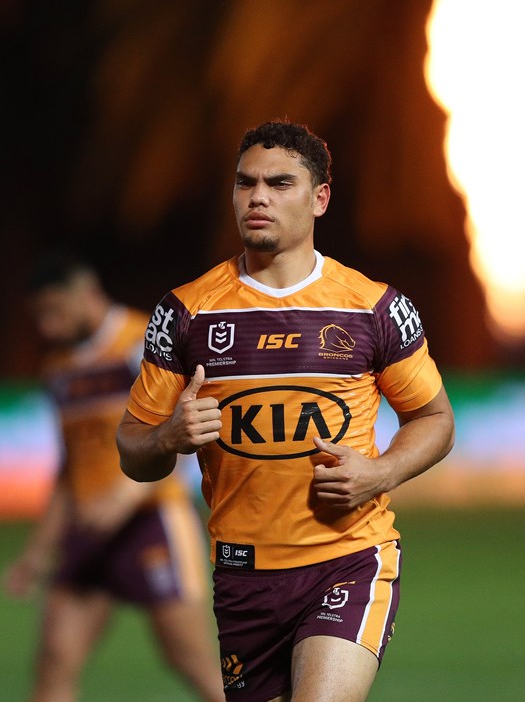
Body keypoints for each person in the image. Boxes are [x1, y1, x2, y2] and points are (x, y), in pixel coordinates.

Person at [116, 121, 455, 702]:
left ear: (319, 198)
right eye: (245, 183)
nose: (258, 197)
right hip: (242, 576)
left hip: (348, 559)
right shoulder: (186, 312)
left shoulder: (371, 307)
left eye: (279, 183)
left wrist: (380, 473)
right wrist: (168, 437)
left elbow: (435, 420)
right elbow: (132, 450)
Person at [3, 253, 224, 702]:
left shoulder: (143, 344)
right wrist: (38, 551)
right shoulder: (59, 370)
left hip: (151, 523)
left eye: (55, 311)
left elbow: (184, 436)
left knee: (192, 662)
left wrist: (124, 497)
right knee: (54, 660)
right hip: (89, 529)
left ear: (87, 294)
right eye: (39, 316)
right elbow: (70, 468)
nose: (47, 327)